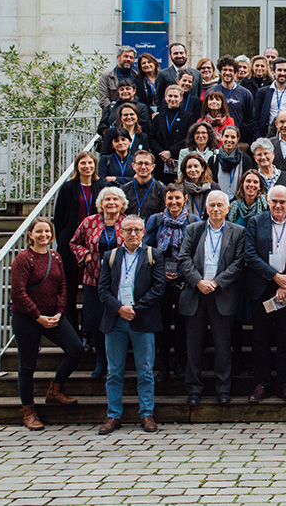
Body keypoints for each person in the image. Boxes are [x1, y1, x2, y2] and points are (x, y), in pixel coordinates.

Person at [11, 218, 85, 430]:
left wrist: (60, 312)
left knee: (76, 349)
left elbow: (63, 286)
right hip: (27, 318)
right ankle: (28, 410)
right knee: (27, 366)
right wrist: (37, 316)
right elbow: (18, 293)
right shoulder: (23, 259)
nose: (44, 235)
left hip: (53, 316)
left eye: (47, 231)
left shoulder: (56, 257)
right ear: (30, 235)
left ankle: (55, 389)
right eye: (39, 232)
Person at [97, 214, 165, 435]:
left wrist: (135, 308)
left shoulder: (153, 255)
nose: (133, 234)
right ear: (121, 232)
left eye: (137, 230)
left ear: (144, 232)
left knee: (145, 371)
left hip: (142, 319)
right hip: (115, 320)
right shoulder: (110, 256)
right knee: (114, 371)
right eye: (128, 230)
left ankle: (147, 413)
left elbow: (158, 287)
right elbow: (103, 290)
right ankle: (113, 415)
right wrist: (119, 308)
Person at [177, 191, 245, 405]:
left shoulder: (238, 232)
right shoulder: (193, 229)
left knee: (223, 346)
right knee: (193, 346)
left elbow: (239, 262)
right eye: (212, 205)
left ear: (227, 209)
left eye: (220, 205)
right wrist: (198, 281)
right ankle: (194, 390)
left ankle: (223, 389)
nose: (216, 209)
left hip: (222, 294)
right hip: (196, 293)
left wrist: (216, 282)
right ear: (205, 208)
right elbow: (183, 258)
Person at [244, 185, 286, 404]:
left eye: (283, 201)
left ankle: (285, 385)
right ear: (267, 201)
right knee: (260, 339)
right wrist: (275, 277)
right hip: (262, 288)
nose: (278, 205)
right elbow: (250, 255)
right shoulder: (255, 222)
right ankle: (262, 384)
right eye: (275, 201)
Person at [142, 183, 201, 383]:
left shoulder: (193, 221)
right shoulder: (156, 220)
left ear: (185, 198)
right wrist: (159, 274)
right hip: (161, 281)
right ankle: (164, 366)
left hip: (185, 280)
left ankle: (180, 364)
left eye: (177, 198)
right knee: (163, 325)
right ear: (165, 200)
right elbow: (147, 249)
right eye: (170, 198)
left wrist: (184, 274)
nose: (174, 202)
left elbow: (197, 252)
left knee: (183, 325)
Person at [69, 186, 128, 379]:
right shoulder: (89, 222)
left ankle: (117, 362)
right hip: (93, 280)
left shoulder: (128, 223)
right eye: (107, 199)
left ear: (122, 203)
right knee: (96, 323)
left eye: (115, 199)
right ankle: (101, 361)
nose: (111, 203)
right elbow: (74, 243)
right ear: (101, 203)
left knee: (117, 323)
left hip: (119, 283)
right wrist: (84, 254)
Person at [54, 151, 106, 326]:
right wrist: (63, 238)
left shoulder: (101, 186)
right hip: (70, 242)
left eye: (90, 163)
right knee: (69, 288)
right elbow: (59, 217)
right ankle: (72, 329)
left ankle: (89, 331)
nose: (87, 167)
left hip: (94, 242)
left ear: (95, 166)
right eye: (83, 163)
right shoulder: (69, 187)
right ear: (77, 166)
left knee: (92, 289)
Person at [152, 85, 197, 182]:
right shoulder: (158, 117)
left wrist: (171, 152)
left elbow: (189, 138)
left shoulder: (188, 117)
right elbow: (152, 138)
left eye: (176, 96)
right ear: (165, 97)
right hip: (160, 161)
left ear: (181, 98)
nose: (173, 99)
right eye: (170, 96)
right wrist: (163, 154)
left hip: (179, 159)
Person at [253, 57, 286, 139]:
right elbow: (256, 118)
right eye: (279, 70)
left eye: (285, 70)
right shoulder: (262, 92)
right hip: (268, 136)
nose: (282, 73)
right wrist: (259, 138)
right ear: (273, 72)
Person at [212, 55, 254, 140]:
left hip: (237, 140)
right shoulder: (212, 92)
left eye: (230, 70)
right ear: (220, 72)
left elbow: (250, 120)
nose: (227, 73)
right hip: (215, 140)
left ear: (235, 72)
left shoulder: (245, 93)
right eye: (224, 70)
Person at [208, 125, 253, 199]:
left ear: (237, 139)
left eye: (233, 137)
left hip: (238, 203)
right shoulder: (213, 160)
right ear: (221, 137)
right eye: (226, 136)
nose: (229, 140)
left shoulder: (245, 160)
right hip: (218, 201)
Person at [122, 150, 165, 221]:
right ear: (133, 166)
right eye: (140, 163)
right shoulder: (125, 189)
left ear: (153, 167)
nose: (143, 167)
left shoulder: (161, 190)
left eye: (147, 164)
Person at [178, 153, 221, 219]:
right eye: (189, 167)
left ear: (202, 168)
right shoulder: (179, 189)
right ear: (185, 170)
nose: (193, 170)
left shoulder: (213, 188)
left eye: (196, 166)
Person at [98, 46, 138, 110]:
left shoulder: (137, 77)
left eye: (131, 57)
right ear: (118, 57)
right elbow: (104, 99)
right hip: (113, 115)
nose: (128, 59)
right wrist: (116, 112)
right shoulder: (107, 77)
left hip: (134, 116)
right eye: (126, 56)